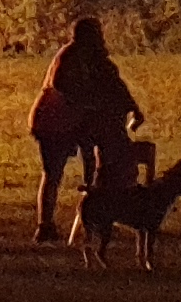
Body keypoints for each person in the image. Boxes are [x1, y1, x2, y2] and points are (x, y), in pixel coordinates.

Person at [30, 17, 143, 244]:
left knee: (96, 165)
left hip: (76, 123)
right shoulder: (69, 56)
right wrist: (90, 101)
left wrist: (132, 107)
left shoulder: (95, 59)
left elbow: (114, 82)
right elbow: (61, 84)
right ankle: (45, 225)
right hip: (53, 122)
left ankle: (98, 215)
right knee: (53, 172)